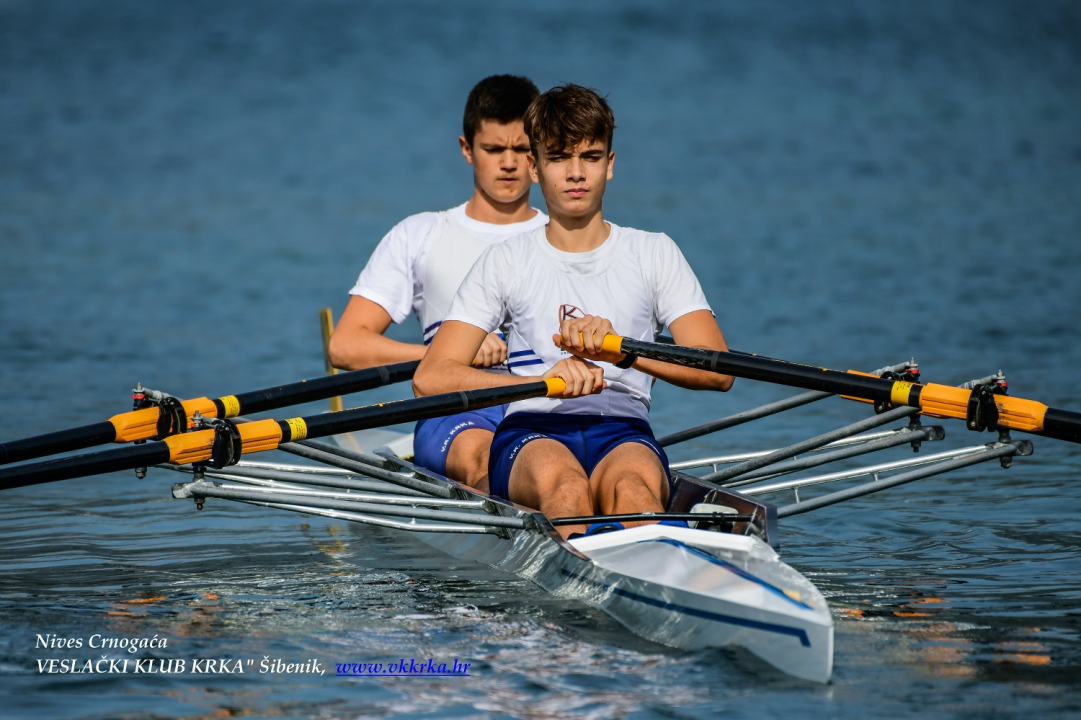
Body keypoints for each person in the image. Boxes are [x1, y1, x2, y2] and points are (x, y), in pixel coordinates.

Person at [413, 84, 734, 538]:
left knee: (636, 496)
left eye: (591, 157)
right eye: (560, 157)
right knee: (565, 489)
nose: (577, 173)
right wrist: (542, 383)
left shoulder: (654, 252)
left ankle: (648, 575)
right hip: (532, 430)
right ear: (535, 167)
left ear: (611, 165)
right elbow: (432, 376)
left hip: (623, 430)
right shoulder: (507, 260)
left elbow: (717, 369)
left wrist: (623, 355)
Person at [328, 75, 548, 493]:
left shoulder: (563, 236)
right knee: (485, 458)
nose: (509, 163)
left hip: (541, 406)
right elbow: (346, 344)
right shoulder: (421, 234)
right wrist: (447, 354)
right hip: (457, 410)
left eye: (521, 149)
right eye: (494, 149)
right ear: (467, 149)